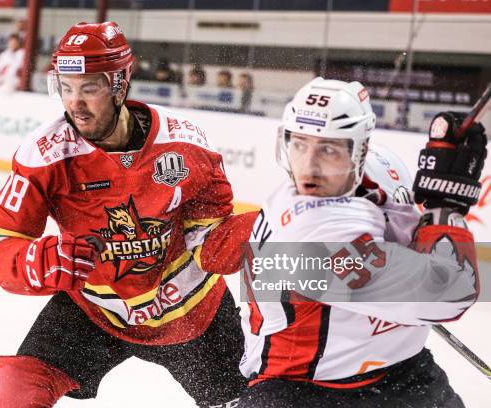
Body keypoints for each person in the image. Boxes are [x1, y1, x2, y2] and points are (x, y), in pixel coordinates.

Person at [0, 21, 246, 407]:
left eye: (89, 88)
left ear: (120, 83)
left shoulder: (186, 146)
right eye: (65, 88)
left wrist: (259, 236)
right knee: (14, 386)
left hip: (192, 311)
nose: (74, 103)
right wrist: (37, 263)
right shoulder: (44, 156)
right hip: (96, 311)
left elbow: (211, 234)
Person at [197, 77, 486, 407]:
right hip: (302, 390)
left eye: (329, 149)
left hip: (403, 372)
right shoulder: (309, 236)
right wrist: (444, 208)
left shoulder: (384, 169)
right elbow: (450, 293)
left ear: (361, 148)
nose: (309, 168)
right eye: (299, 145)